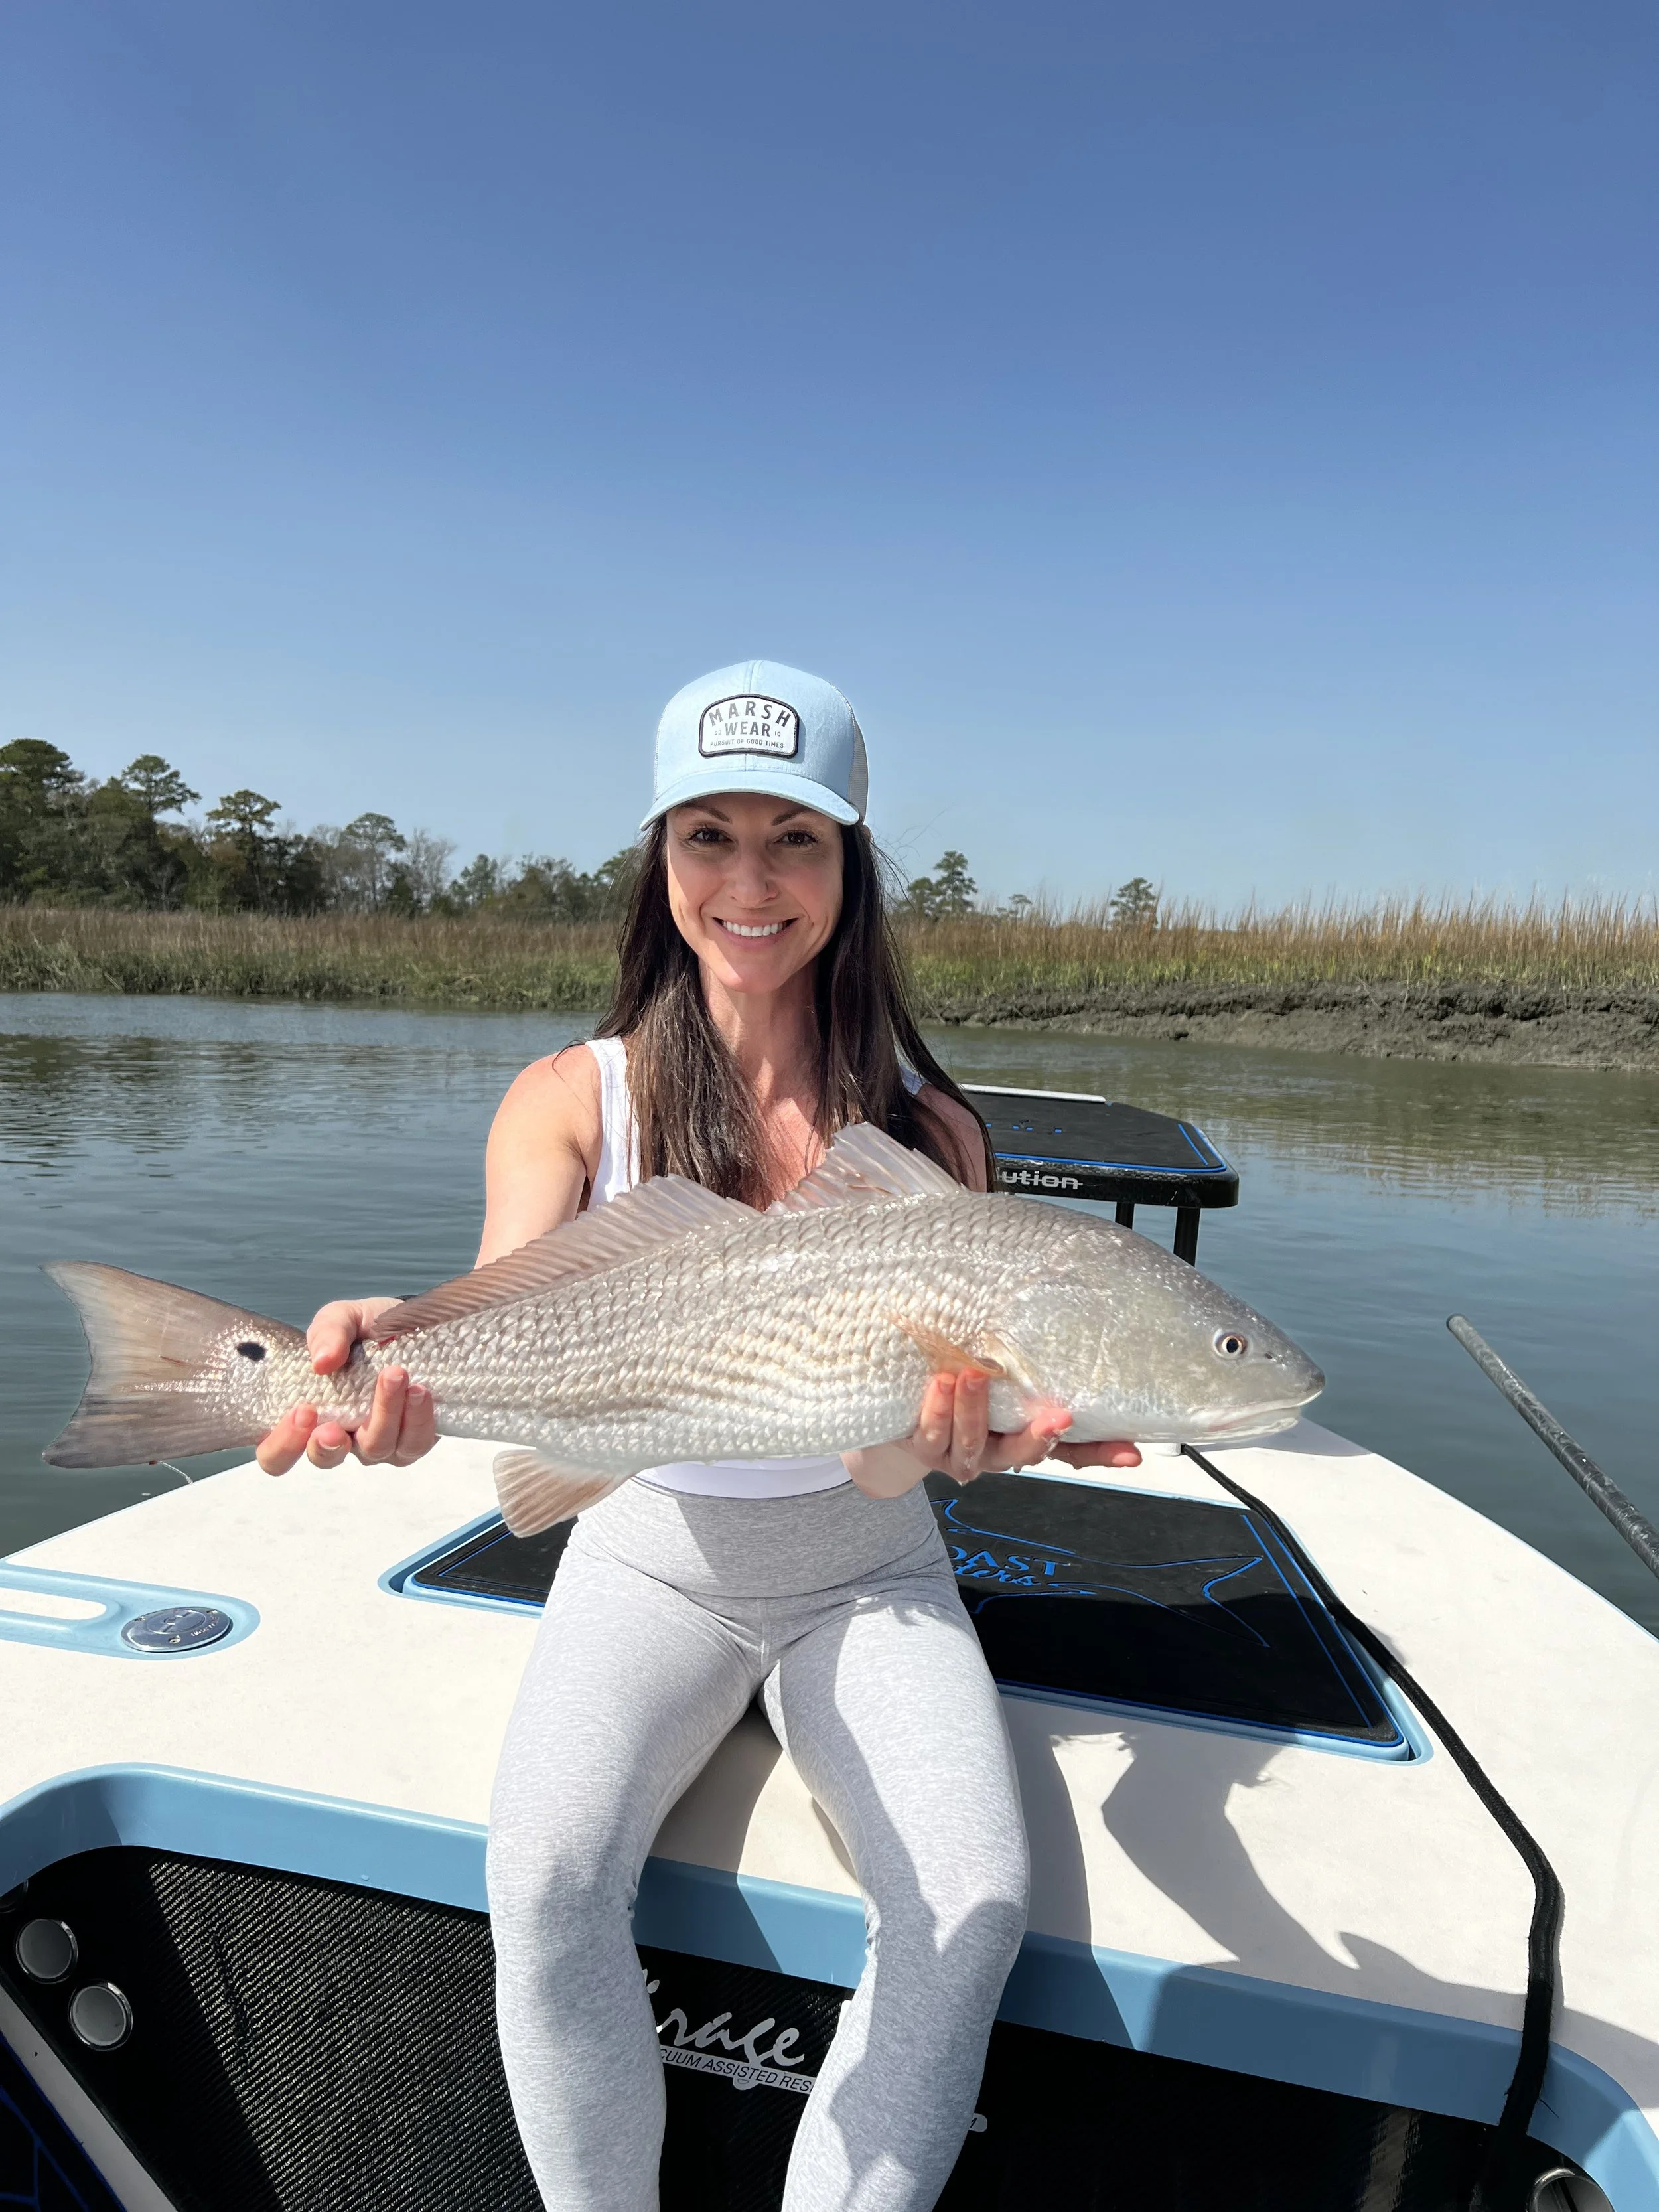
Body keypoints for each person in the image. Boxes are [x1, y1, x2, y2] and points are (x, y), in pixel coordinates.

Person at [256, 661, 1140, 2212]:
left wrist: (947, 1444)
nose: (748, 882)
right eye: (707, 835)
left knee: (974, 1901)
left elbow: (882, 1459)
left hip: (864, 1565)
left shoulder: (935, 1136)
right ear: (658, 860)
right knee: (538, 1878)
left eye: (794, 839)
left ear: (852, 869)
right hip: (646, 1551)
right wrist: (392, 1360)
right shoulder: (566, 1096)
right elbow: (496, 1303)